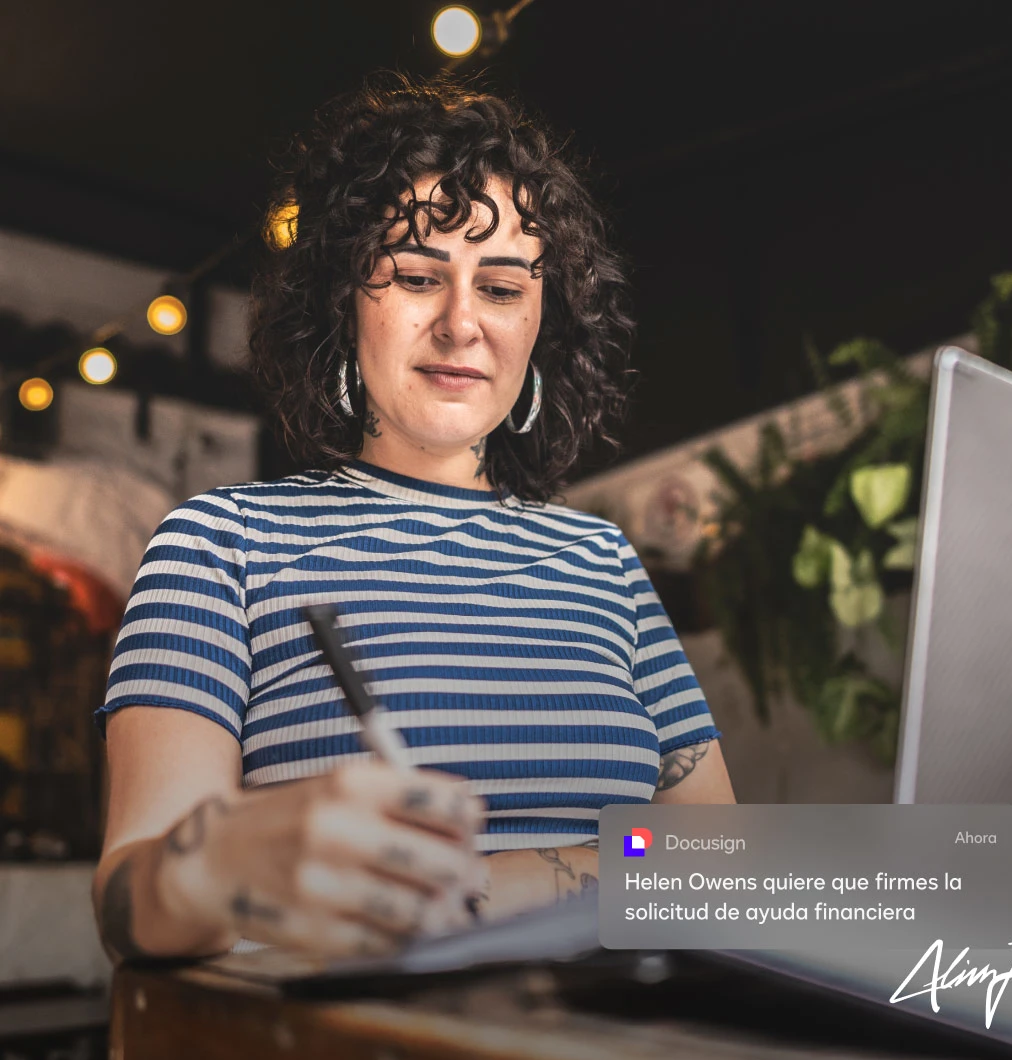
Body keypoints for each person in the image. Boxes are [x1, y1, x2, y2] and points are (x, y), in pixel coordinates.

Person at [92, 74, 735, 976]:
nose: (462, 323)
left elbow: (723, 868)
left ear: (541, 324)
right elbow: (129, 899)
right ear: (343, 305)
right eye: (416, 276)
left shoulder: (603, 562)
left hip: (633, 1059)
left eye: (503, 288)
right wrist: (216, 868)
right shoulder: (221, 546)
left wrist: (491, 886)